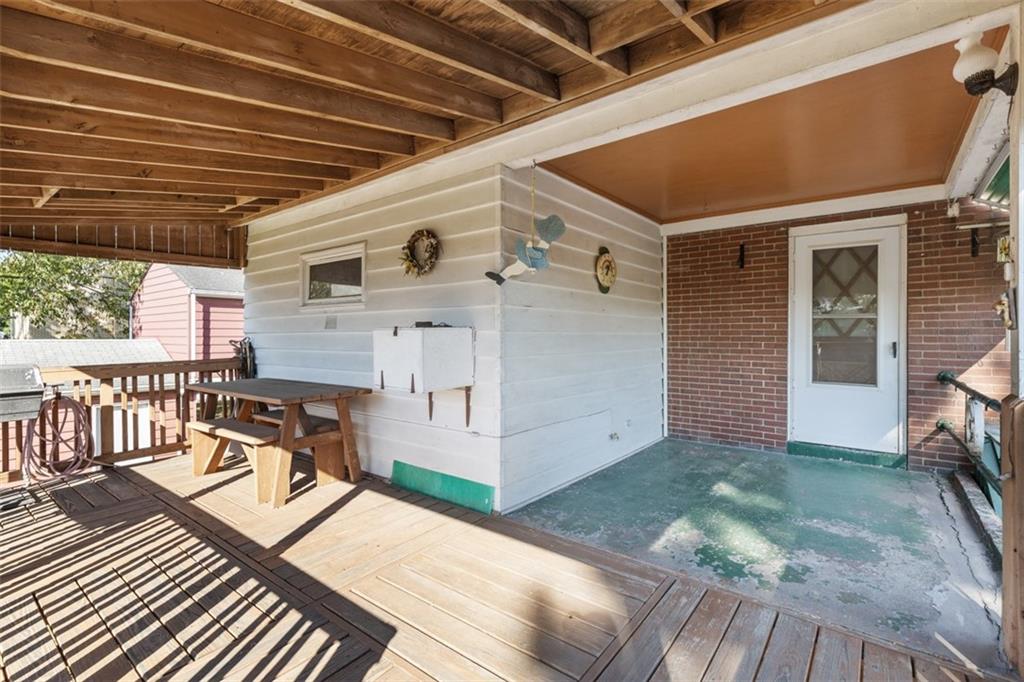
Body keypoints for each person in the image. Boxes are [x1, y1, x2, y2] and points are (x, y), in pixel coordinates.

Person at [485, 214, 566, 285]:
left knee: (516, 268)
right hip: (527, 260)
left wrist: (529, 247)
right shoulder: (543, 248)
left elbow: (536, 255)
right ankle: (501, 278)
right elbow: (536, 254)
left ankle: (500, 278)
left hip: (527, 260)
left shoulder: (542, 251)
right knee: (515, 268)